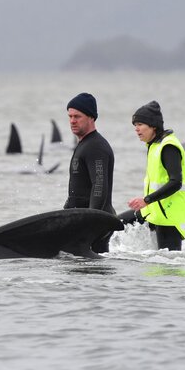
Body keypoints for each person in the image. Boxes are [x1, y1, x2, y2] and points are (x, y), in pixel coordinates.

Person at [120, 101, 185, 251]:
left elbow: (176, 182)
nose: (136, 129)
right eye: (135, 125)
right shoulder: (154, 145)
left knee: (168, 266)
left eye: (140, 124)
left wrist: (146, 200)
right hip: (153, 210)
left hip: (168, 215)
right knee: (114, 223)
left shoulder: (168, 146)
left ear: (153, 126)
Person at [64, 93, 116, 253]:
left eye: (77, 116)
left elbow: (99, 185)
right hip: (84, 221)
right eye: (70, 116)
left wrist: (90, 223)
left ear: (91, 117)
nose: (72, 121)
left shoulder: (95, 147)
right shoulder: (85, 144)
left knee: (92, 273)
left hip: (94, 225)